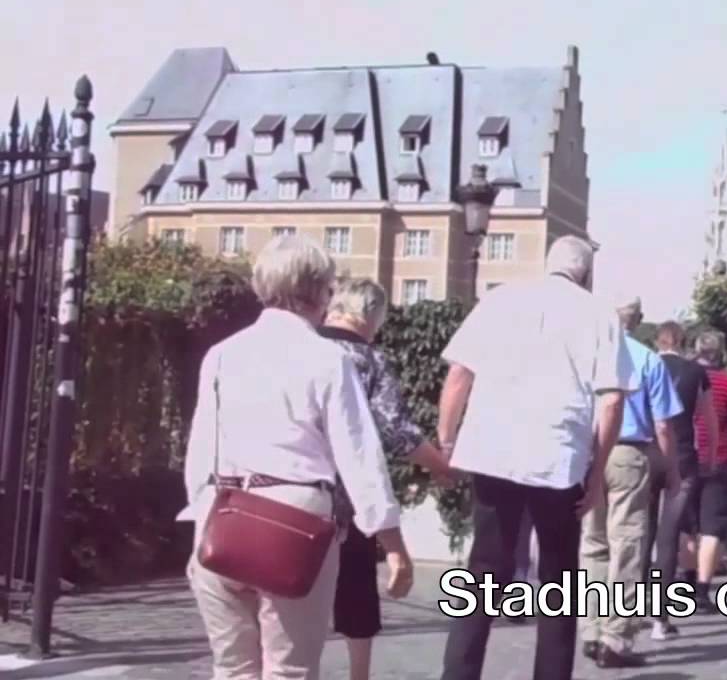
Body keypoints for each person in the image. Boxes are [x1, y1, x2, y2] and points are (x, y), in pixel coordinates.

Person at [179, 234, 413, 679]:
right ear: (320, 291)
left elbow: (199, 449)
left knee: (232, 668)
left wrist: (201, 513)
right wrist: (392, 542)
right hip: (294, 521)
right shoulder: (327, 359)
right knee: (290, 669)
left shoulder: (222, 355)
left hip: (223, 512)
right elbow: (359, 456)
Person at [437, 235, 636, 680]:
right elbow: (611, 402)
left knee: (484, 570)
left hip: (492, 450)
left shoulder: (500, 299)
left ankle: (459, 674)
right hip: (558, 457)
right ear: (585, 272)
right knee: (558, 579)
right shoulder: (600, 314)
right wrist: (597, 470)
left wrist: (448, 443)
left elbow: (458, 376)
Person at [319, 278, 455, 680]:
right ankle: (358, 675)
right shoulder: (368, 360)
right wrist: (441, 465)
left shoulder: (300, 350)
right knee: (356, 593)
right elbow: (396, 431)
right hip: (351, 498)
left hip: (291, 493)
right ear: (370, 315)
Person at [580, 295, 682, 668]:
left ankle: (589, 629)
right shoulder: (648, 359)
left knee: (593, 544)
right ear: (637, 319)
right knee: (627, 546)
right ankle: (615, 638)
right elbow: (663, 424)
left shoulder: (588, 352)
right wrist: (671, 469)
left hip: (590, 451)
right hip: (628, 455)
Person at [644, 321, 719, 640]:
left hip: (648, 452)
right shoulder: (695, 373)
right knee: (669, 536)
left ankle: (630, 607)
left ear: (657, 341)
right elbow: (709, 418)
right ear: (684, 341)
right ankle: (661, 617)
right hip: (684, 455)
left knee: (641, 531)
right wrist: (711, 455)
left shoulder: (646, 365)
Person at [685, 331, 727, 611]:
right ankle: (702, 589)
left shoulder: (684, 380)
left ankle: (685, 585)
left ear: (696, 349)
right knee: (713, 528)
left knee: (686, 526)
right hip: (721, 461)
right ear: (721, 352)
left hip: (687, 457)